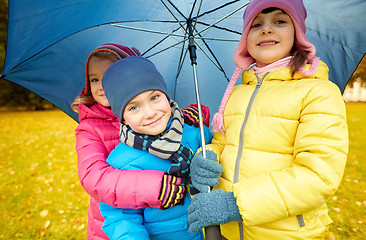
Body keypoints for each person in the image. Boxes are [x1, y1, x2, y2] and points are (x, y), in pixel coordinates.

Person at [187, 0, 349, 239]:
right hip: (230, 232)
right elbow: (224, 143)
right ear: (245, 39)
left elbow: (317, 176)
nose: (266, 29)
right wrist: (208, 155)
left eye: (280, 21)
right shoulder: (237, 92)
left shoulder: (318, 93)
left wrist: (235, 204)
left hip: (285, 232)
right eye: (256, 24)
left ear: (297, 33)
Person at [73, 43, 188, 240]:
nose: (101, 86)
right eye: (94, 79)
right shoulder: (89, 128)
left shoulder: (148, 113)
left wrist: (192, 115)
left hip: (154, 217)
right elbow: (93, 178)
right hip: (113, 220)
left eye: (109, 76)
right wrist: (153, 187)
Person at [99, 56, 211, 239]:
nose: (150, 113)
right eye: (134, 107)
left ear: (166, 96)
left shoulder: (195, 132)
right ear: (123, 118)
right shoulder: (120, 163)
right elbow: (121, 219)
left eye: (154, 97)